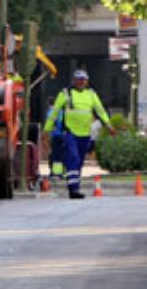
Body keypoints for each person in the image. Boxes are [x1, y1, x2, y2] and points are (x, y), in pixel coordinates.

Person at [44, 68, 115, 199]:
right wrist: (47, 129)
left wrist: (109, 125)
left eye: (83, 79)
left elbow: (100, 111)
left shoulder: (91, 94)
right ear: (74, 80)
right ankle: (73, 189)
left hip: (85, 134)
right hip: (70, 133)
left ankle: (75, 184)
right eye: (79, 79)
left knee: (79, 161)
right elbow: (54, 113)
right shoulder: (65, 94)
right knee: (74, 158)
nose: (81, 82)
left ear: (87, 81)